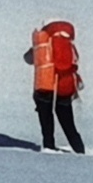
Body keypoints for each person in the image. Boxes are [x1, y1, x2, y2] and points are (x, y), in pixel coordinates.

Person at [25, 18, 84, 152]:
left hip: (45, 84)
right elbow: (72, 62)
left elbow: (28, 58)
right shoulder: (68, 42)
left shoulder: (44, 40)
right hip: (65, 85)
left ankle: (49, 147)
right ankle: (79, 150)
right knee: (68, 121)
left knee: (46, 118)